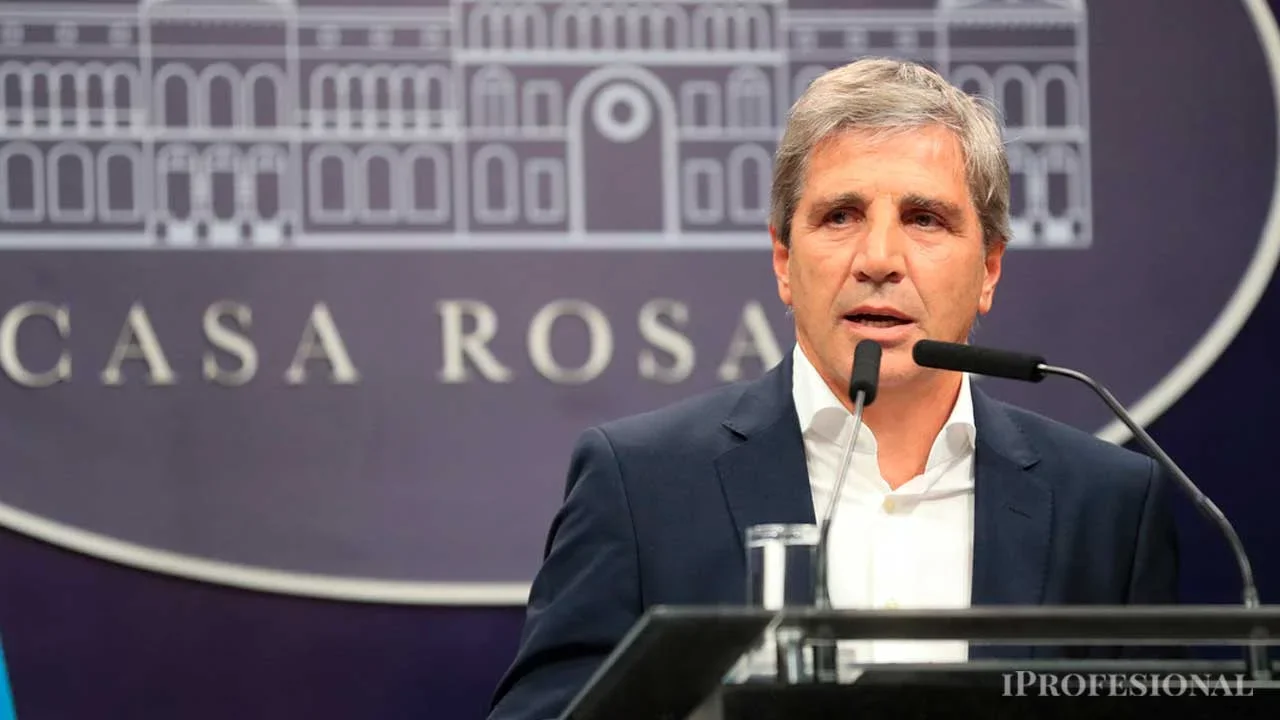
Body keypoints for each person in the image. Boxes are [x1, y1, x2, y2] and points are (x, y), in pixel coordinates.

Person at [486, 57, 1179, 720]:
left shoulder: (1106, 508)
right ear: (784, 261)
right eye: (841, 215)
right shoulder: (643, 485)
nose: (878, 260)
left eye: (925, 219)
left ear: (989, 269)